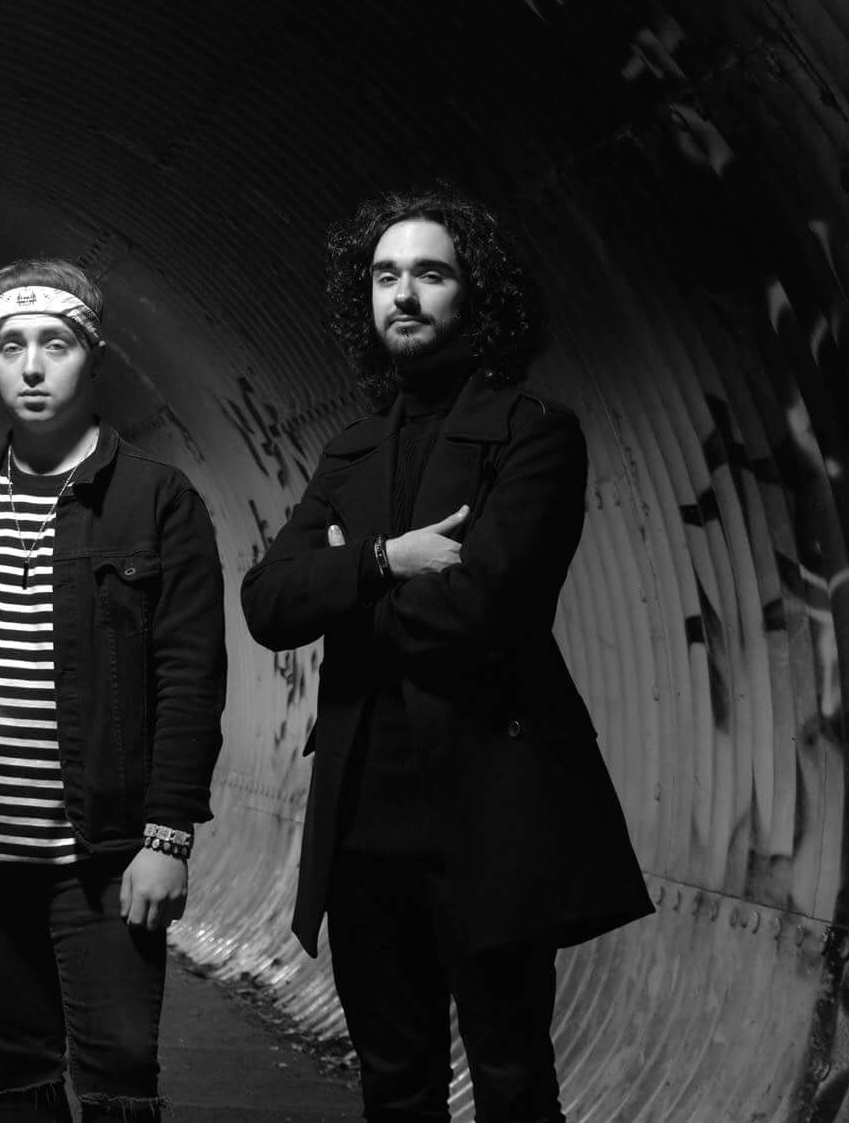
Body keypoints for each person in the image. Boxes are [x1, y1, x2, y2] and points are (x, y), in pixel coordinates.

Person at [238, 190, 652, 1121]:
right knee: (394, 1082)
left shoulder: (534, 431)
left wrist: (345, 590)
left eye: (431, 272)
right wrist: (386, 560)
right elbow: (267, 603)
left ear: (477, 294)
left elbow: (485, 606)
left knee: (511, 1079)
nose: (404, 293)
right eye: (385, 274)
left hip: (490, 813)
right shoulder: (350, 451)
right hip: (361, 826)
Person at [0, 258, 228, 1122]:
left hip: (102, 856)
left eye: (55, 344)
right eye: (11, 346)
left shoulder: (157, 501)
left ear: (92, 357)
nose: (31, 367)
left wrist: (168, 836)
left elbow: (190, 676)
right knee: (18, 1072)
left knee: (119, 1069)